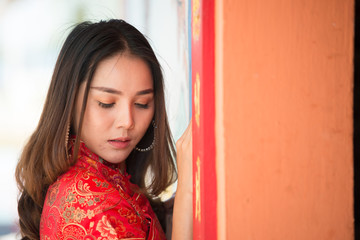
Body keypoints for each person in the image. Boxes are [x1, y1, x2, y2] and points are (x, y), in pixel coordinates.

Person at [15, 19, 193, 240]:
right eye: (106, 103)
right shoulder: (89, 203)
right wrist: (188, 190)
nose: (127, 121)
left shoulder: (107, 179)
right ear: (69, 102)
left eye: (142, 104)